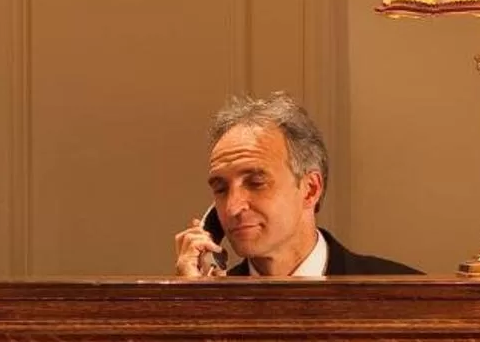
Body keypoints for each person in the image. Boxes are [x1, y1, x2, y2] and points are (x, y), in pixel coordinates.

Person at [173, 93, 417, 278]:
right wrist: (190, 303)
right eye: (221, 189)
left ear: (310, 189)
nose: (232, 207)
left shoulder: (405, 293)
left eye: (256, 183)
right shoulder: (213, 298)